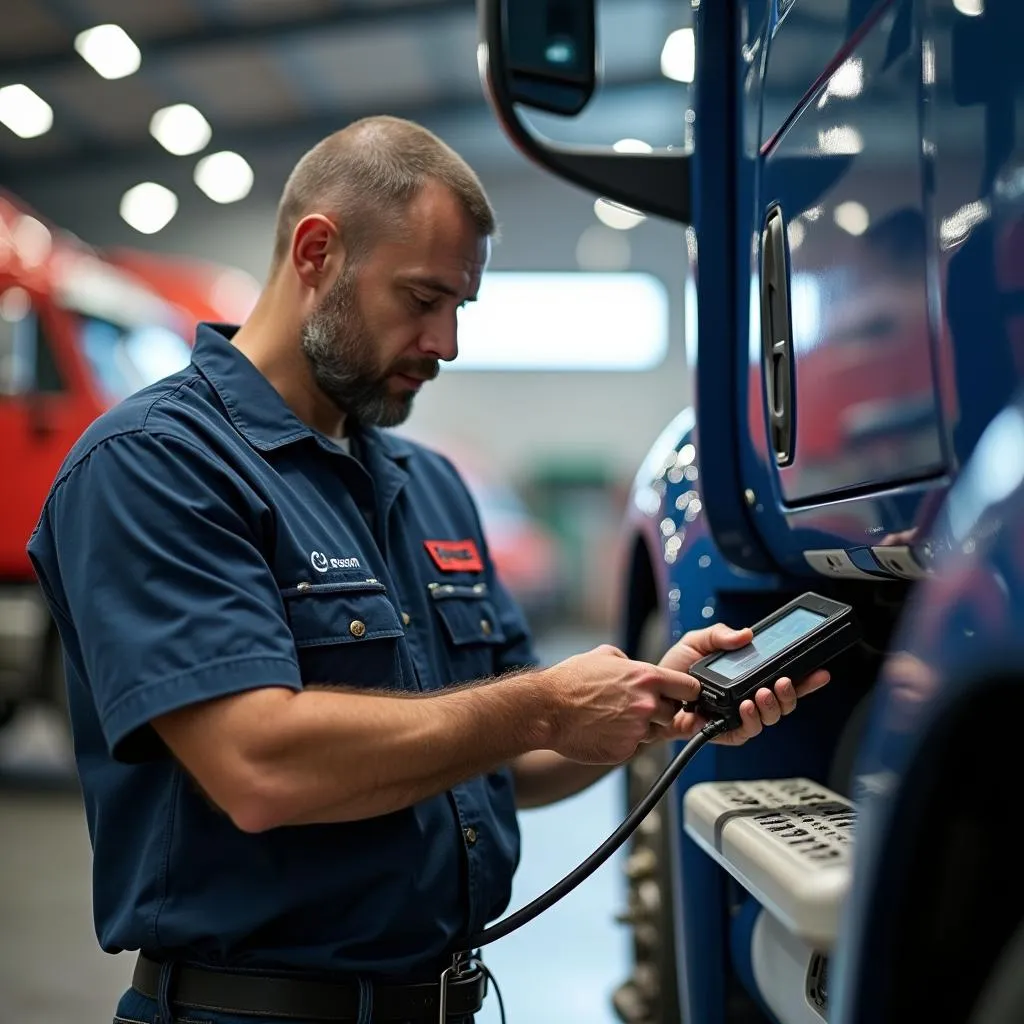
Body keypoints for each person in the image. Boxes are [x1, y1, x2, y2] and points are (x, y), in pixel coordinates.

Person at [26, 116, 830, 1024]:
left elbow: (499, 759)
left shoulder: (429, 484)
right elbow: (259, 767)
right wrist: (546, 701)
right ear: (318, 252)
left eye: (461, 308)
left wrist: (651, 711)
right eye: (421, 298)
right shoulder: (155, 464)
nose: (445, 342)